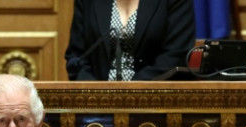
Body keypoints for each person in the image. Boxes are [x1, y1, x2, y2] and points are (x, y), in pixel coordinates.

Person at [65, 0, 195, 81]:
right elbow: (76, 56)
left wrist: (131, 91)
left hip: (155, 102)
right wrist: (94, 91)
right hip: (97, 106)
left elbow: (176, 55)